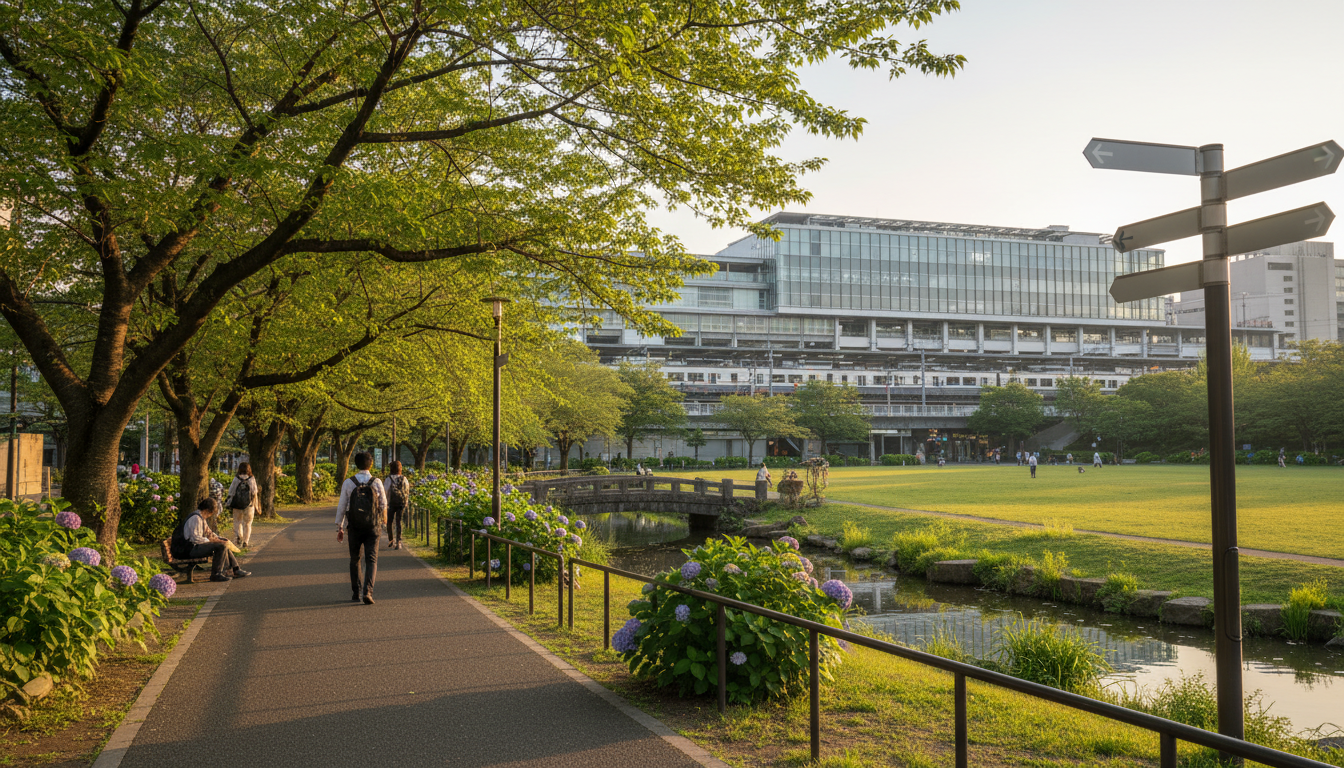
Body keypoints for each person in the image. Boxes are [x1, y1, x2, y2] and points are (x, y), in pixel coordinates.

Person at [336, 452, 387, 605]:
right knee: (371, 559)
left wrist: (340, 526)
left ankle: (356, 592)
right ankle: (368, 592)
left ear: (355, 464)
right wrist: (383, 523)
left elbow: (342, 506)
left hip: (355, 526)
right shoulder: (376, 482)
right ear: (371, 464)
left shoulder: (348, 482)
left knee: (355, 559)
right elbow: (383, 504)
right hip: (373, 526)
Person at [171, 498, 250, 582]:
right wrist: (212, 541)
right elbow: (196, 538)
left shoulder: (201, 518)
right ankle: (216, 574)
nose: (211, 515)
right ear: (208, 510)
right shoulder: (195, 519)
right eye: (212, 512)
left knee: (223, 544)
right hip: (187, 550)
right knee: (220, 547)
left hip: (192, 547)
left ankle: (235, 569)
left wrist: (219, 539)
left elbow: (209, 532)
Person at [225, 462, 260, 549]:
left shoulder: (236, 479)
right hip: (249, 505)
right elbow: (254, 493)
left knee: (237, 522)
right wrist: (256, 506)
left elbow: (231, 491)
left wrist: (228, 502)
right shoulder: (251, 479)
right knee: (248, 524)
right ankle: (246, 541)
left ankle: (238, 538)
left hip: (237, 505)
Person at [384, 460, 411, 550]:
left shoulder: (388, 479)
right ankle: (399, 542)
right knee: (399, 522)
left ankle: (391, 540)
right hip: (401, 503)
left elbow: (385, 492)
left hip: (391, 504)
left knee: (389, 522)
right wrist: (406, 502)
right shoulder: (404, 478)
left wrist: (385, 503)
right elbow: (407, 491)